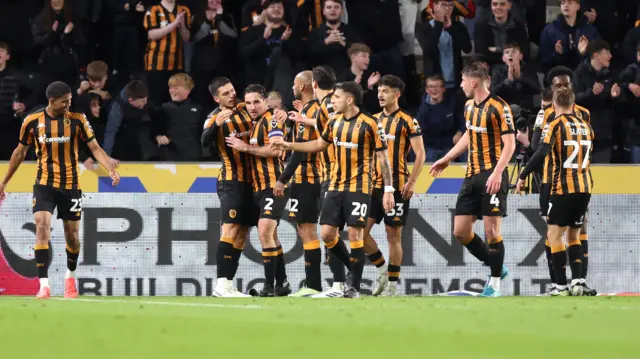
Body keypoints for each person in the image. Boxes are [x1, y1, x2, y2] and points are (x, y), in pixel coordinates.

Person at [271, 81, 395, 298]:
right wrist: (289, 146)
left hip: (359, 187)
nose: (332, 101)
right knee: (327, 234)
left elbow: (383, 159)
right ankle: (353, 269)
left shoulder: (371, 124)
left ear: (349, 100)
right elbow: (319, 144)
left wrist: (388, 189)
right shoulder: (334, 121)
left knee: (355, 233)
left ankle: (353, 286)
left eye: (336, 97)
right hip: (335, 185)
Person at [0, 81, 120, 299]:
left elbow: (94, 147)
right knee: (42, 226)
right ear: (52, 100)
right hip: (44, 184)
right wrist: (4, 181)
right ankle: (43, 285)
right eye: (64, 101)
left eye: (70, 101)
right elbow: (19, 152)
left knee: (72, 236)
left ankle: (70, 277)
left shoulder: (77, 120)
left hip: (71, 186)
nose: (68, 104)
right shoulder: (32, 121)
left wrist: (108, 167)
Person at [430, 63, 515, 297]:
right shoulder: (469, 107)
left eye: (463, 81)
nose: (460, 85)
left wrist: (498, 173)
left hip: (492, 174)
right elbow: (470, 134)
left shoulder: (500, 107)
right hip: (471, 175)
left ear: (474, 82)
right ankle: (496, 265)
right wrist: (448, 158)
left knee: (492, 231)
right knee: (461, 231)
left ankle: (495, 283)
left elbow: (510, 143)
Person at [516, 87, 594, 297]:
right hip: (585, 186)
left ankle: (560, 286)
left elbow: (541, 150)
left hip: (562, 187)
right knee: (575, 234)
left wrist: (523, 174)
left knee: (554, 234)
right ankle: (578, 282)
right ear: (573, 102)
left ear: (554, 104)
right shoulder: (586, 125)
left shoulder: (554, 124)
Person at [289, 65, 349, 298]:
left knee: (329, 233)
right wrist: (306, 120)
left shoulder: (324, 105)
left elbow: (325, 138)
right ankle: (338, 283)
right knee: (328, 233)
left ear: (312, 84)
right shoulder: (321, 108)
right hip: (330, 176)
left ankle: (340, 283)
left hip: (332, 176)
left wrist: (289, 146)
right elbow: (330, 130)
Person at [225, 84, 291, 297]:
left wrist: (245, 148)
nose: (252, 106)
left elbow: (276, 148)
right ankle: (282, 284)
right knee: (271, 235)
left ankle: (269, 287)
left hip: (274, 185)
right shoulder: (254, 122)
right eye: (249, 102)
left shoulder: (272, 120)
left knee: (264, 230)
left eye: (257, 102)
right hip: (258, 187)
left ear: (265, 101)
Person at [364, 75, 426, 296]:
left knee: (394, 237)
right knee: (359, 233)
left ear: (397, 94)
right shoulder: (372, 120)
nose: (380, 95)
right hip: (372, 186)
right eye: (379, 91)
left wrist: (412, 181)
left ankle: (392, 284)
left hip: (398, 186)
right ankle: (382, 269)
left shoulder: (408, 120)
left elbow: (420, 154)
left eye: (386, 91)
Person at [201, 77, 254, 297]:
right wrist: (215, 125)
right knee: (230, 229)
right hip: (230, 181)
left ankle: (229, 284)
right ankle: (221, 284)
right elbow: (204, 141)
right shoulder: (214, 117)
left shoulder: (246, 109)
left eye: (232, 90)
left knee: (242, 234)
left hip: (253, 182)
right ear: (216, 98)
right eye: (225, 93)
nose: (232, 95)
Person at [274, 71, 324, 297]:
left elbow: (299, 151)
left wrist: (282, 179)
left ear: (303, 86)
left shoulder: (311, 110)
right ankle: (312, 282)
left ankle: (313, 284)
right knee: (306, 229)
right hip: (308, 178)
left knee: (307, 229)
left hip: (307, 177)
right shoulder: (306, 111)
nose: (292, 87)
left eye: (295, 83)